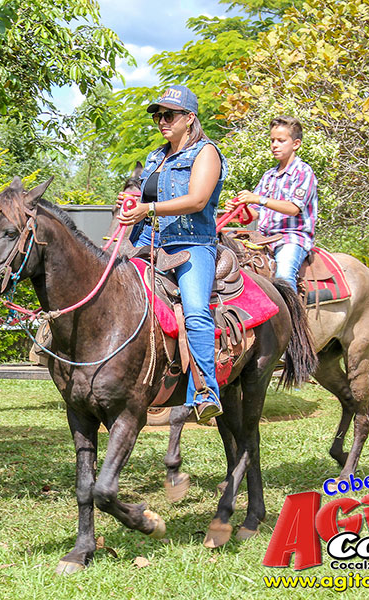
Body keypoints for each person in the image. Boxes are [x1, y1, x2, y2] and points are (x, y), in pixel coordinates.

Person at [118, 84, 228, 424]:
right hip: (147, 242)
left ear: (189, 117)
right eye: (158, 116)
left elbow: (197, 200)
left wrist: (148, 209)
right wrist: (132, 205)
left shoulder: (206, 153)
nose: (162, 121)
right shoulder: (156, 156)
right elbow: (147, 198)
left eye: (169, 115)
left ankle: (205, 391)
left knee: (195, 310)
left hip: (192, 244)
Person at [225, 116, 318, 287]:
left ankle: (292, 304)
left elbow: (293, 208)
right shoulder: (269, 175)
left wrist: (259, 199)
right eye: (272, 140)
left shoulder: (303, 172)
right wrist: (238, 208)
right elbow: (254, 213)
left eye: (281, 141)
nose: (274, 145)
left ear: (296, 144)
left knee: (284, 276)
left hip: (291, 238)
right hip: (263, 239)